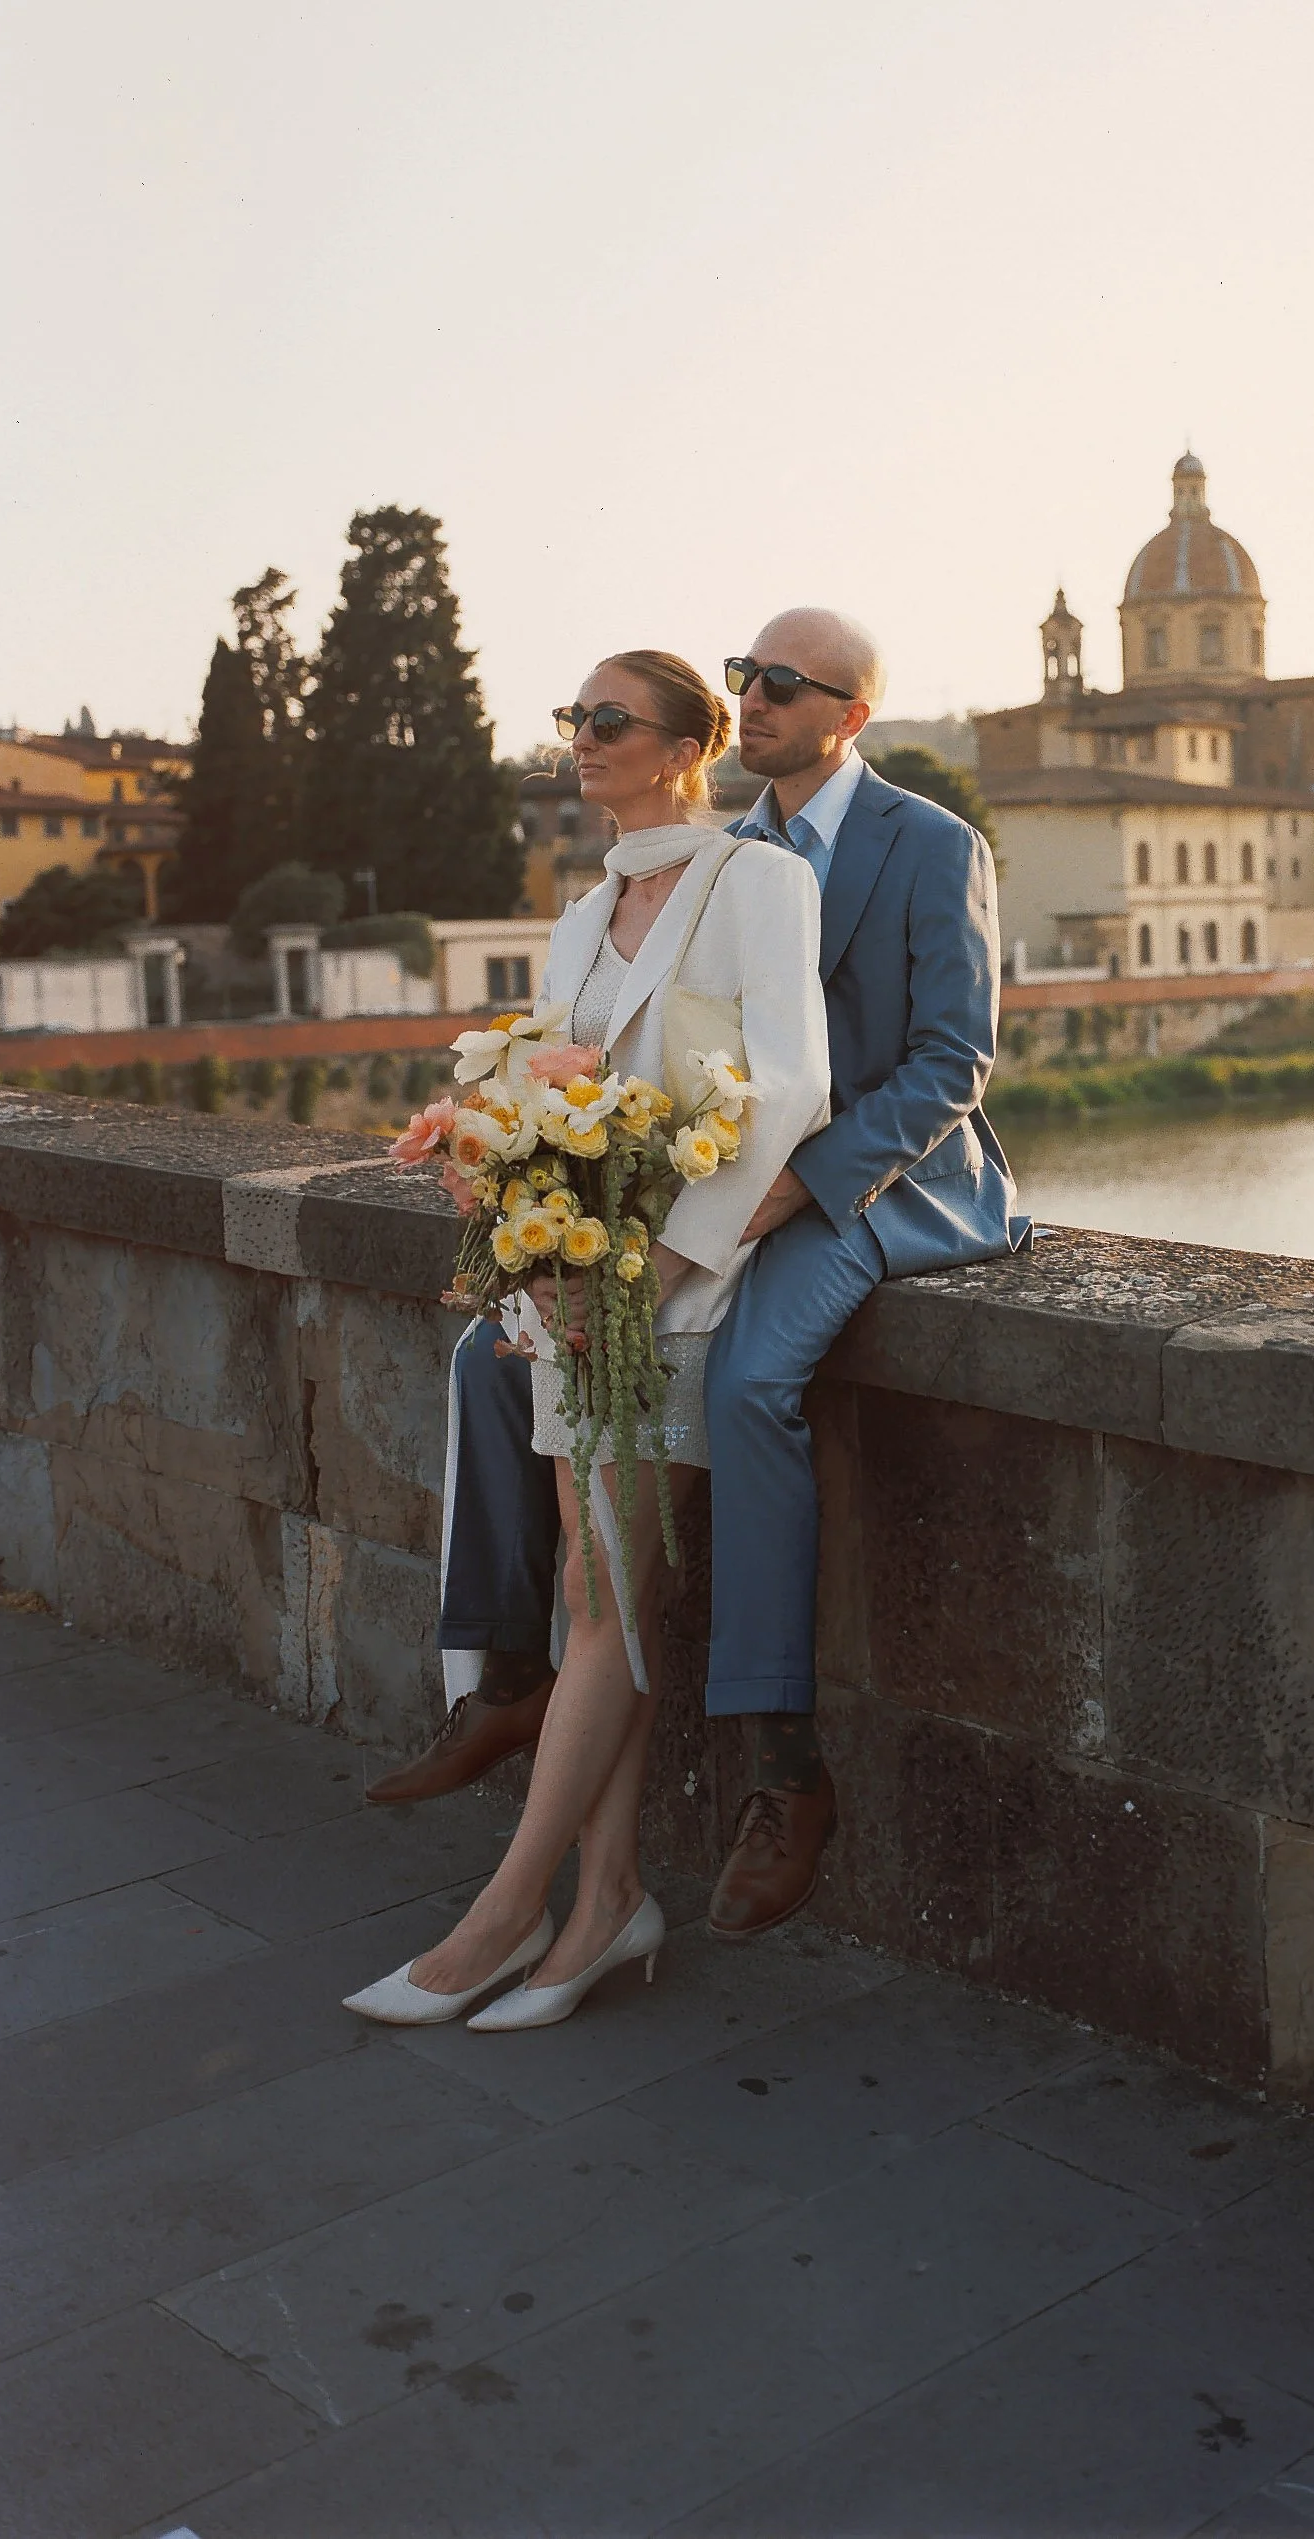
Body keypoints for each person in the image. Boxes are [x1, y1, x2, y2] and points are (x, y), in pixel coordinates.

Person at [366, 606, 1026, 1955]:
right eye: (744, 676)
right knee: (490, 1355)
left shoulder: (929, 841)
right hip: (722, 1186)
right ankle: (508, 1671)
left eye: (783, 681)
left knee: (754, 1380)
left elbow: (952, 1061)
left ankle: (782, 1764)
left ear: (849, 714)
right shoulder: (716, 857)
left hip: (877, 1180)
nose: (755, 696)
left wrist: (787, 1189)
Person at [345, 649, 829, 2027]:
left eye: (609, 719)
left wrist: (661, 1261)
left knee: (607, 1588)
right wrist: (525, 1241)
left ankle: (506, 1913)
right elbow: (541, 1096)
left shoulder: (759, 883)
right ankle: (607, 1898)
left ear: (687, 747)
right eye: (574, 718)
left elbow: (793, 1085)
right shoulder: (578, 917)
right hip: (581, 1288)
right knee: (597, 1586)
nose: (581, 736)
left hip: (686, 1282)